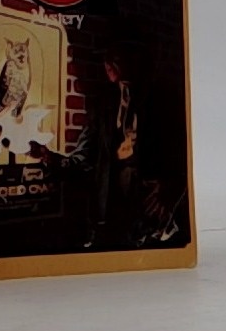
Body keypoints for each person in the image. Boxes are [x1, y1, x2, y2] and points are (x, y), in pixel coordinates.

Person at [29, 43, 187, 250]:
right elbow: (85, 156)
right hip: (114, 211)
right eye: (106, 58)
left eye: (116, 57)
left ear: (135, 59)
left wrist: (170, 188)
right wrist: (52, 158)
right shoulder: (103, 104)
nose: (108, 64)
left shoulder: (164, 99)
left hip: (156, 211)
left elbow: (186, 154)